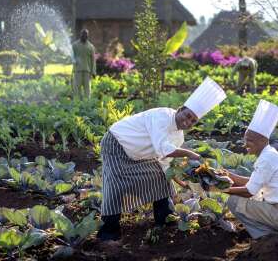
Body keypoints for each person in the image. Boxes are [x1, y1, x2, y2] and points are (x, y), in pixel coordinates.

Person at [96, 77, 227, 241]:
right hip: (116, 144)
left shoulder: (178, 136)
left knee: (160, 177)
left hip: (137, 153)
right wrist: (189, 154)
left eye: (193, 120)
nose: (188, 121)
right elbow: (162, 148)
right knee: (116, 185)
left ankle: (164, 218)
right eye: (187, 115)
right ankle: (109, 231)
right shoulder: (162, 116)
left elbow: (165, 162)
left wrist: (178, 181)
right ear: (180, 109)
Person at [223, 100, 278, 239]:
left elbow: (250, 191)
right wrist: (228, 175)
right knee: (251, 198)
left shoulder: (266, 159)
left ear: (263, 140)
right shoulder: (269, 154)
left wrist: (222, 189)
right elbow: (253, 182)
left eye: (249, 140)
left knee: (234, 201)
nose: (245, 144)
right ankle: (270, 232)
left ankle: (265, 236)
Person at [72, 29, 96, 100]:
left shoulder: (91, 47)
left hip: (87, 71)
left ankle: (87, 104)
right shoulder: (75, 45)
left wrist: (93, 71)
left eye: (86, 35)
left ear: (88, 36)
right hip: (77, 70)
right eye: (83, 34)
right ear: (80, 35)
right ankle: (76, 103)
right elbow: (71, 56)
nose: (84, 36)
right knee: (77, 88)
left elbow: (93, 60)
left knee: (87, 89)